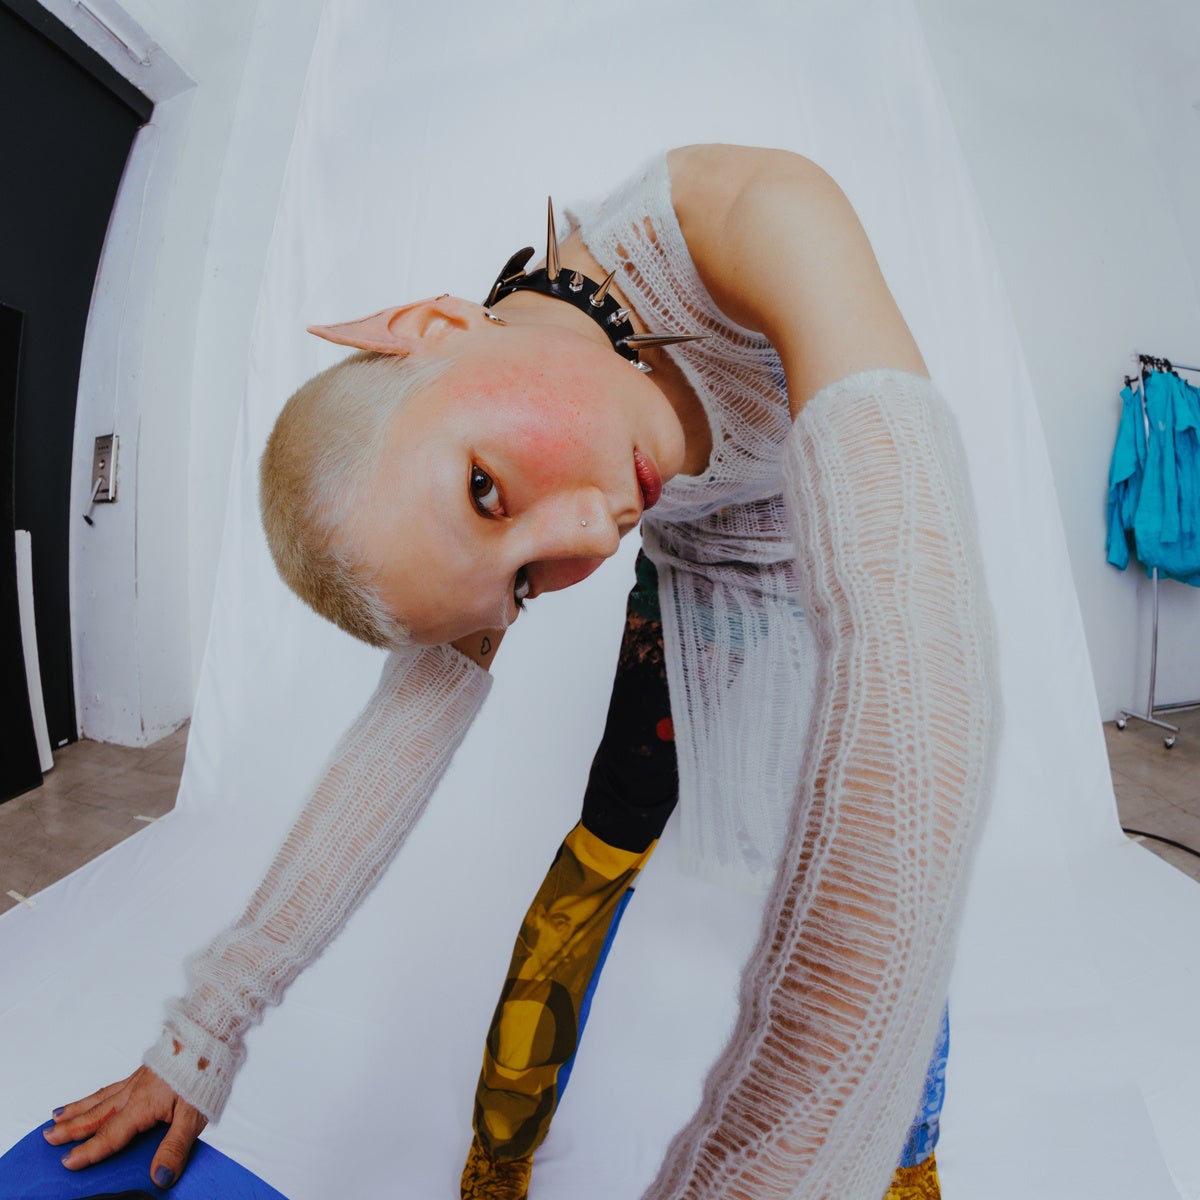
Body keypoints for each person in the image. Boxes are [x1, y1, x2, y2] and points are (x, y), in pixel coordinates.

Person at [44, 144, 997, 1199]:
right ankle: (498, 1160)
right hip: (699, 590)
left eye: (485, 490)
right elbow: (406, 733)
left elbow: (916, 659)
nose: (591, 535)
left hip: (846, 569)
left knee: (890, 854)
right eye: (527, 587)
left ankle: (909, 1162)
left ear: (437, 326)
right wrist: (204, 1033)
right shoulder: (505, 437)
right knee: (597, 863)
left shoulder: (759, 213)